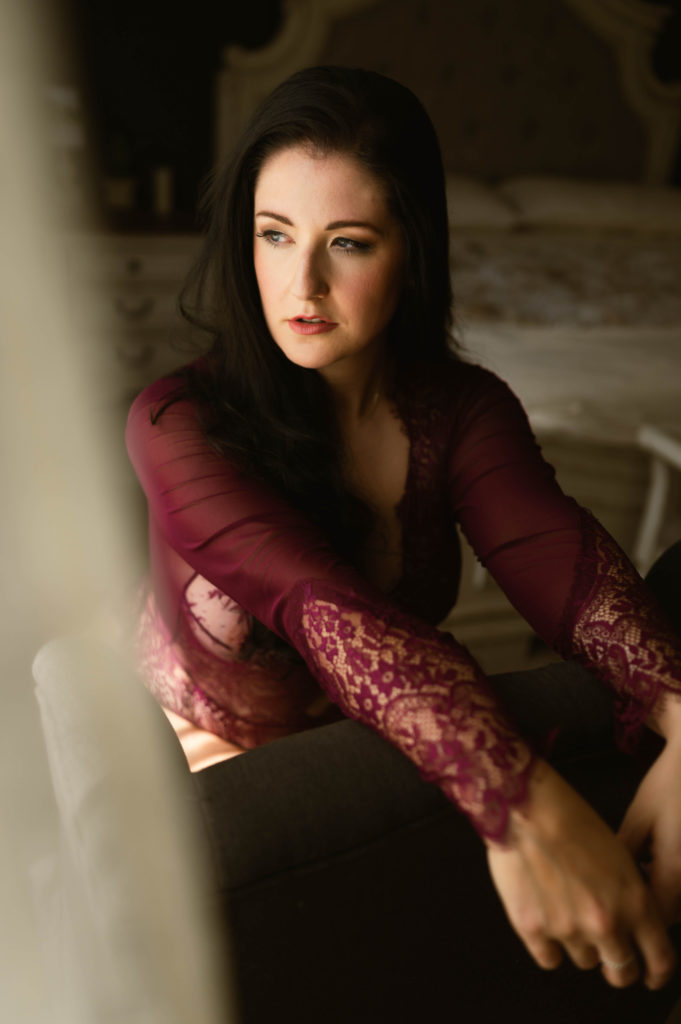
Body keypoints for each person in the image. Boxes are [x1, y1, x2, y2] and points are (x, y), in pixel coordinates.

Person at [125, 65, 681, 1011]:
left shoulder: (461, 410)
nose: (300, 283)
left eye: (347, 243)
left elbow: (564, 566)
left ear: (411, 250)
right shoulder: (178, 420)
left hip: (396, 741)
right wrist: (522, 809)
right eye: (273, 236)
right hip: (210, 765)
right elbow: (318, 601)